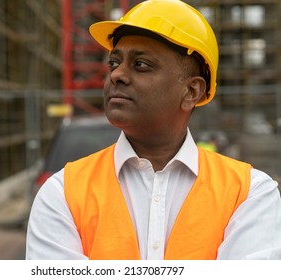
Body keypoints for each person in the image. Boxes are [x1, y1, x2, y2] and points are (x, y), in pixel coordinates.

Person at [26, 0, 281, 260]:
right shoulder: (62, 194)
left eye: (141, 65)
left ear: (191, 91)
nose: (117, 75)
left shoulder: (249, 193)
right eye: (114, 64)